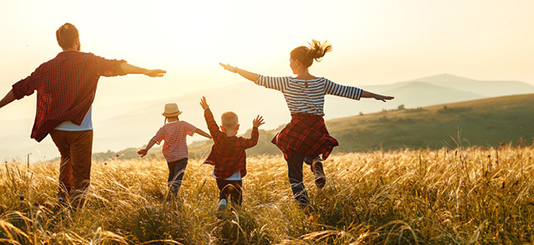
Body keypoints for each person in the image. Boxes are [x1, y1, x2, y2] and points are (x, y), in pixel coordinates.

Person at [0, 23, 166, 207]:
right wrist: (145, 71)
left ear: (60, 42)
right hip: (80, 129)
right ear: (77, 40)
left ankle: (62, 199)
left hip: (56, 130)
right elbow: (116, 66)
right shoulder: (89, 61)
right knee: (81, 174)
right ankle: (75, 212)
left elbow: (22, 88)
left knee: (66, 160)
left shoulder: (46, 67)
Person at [219, 39, 393, 208]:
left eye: (290, 60)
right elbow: (349, 91)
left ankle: (304, 206)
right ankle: (315, 162)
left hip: (298, 127)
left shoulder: (287, 82)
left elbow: (259, 79)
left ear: (296, 61)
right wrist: (376, 96)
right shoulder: (321, 82)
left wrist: (235, 70)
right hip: (317, 127)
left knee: (295, 174)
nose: (289, 64)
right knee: (310, 150)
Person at [199, 96, 264, 218]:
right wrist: (255, 127)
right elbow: (253, 141)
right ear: (238, 127)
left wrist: (207, 109)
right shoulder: (241, 142)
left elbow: (211, 124)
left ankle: (222, 201)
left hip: (220, 174)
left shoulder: (218, 137)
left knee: (223, 192)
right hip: (235, 176)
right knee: (236, 197)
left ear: (221, 127)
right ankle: (235, 214)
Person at [137, 103, 211, 202]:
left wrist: (146, 149)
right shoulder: (183, 124)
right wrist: (210, 136)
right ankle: (171, 198)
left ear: (166, 117)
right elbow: (196, 130)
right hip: (182, 156)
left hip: (170, 156)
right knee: (178, 178)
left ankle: (169, 198)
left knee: (172, 176)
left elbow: (154, 139)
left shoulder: (164, 128)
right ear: (177, 115)